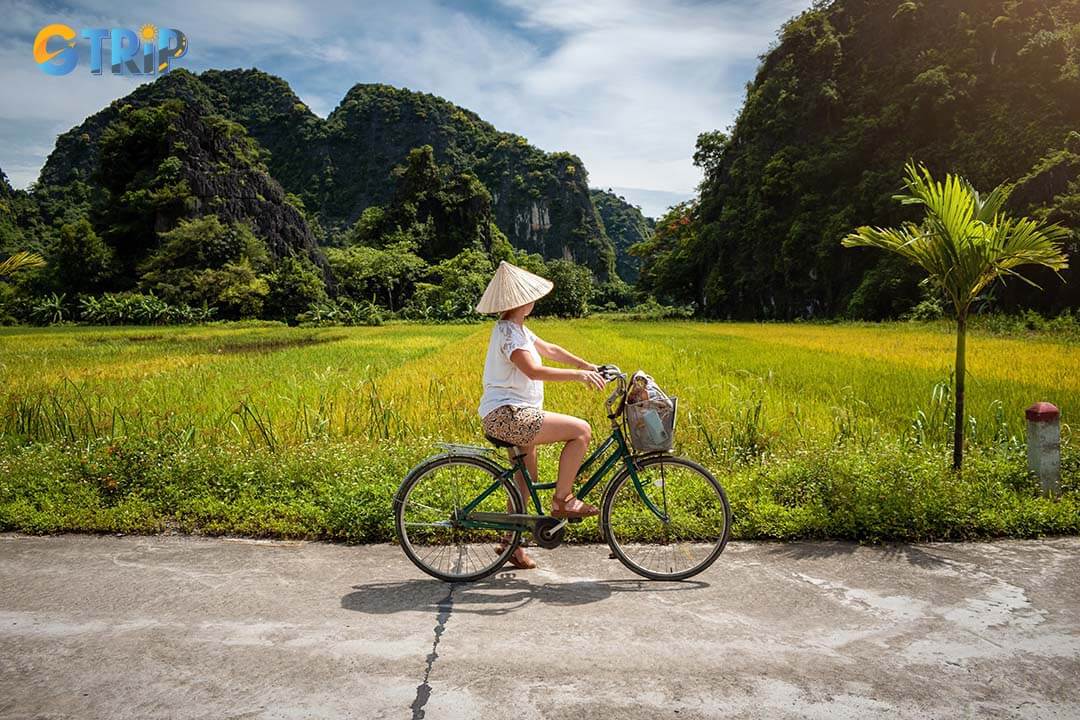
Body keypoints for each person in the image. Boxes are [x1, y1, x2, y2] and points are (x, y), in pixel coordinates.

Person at [475, 260, 605, 569]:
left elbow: (552, 350)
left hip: (513, 414)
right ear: (522, 301)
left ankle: (510, 546)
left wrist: (585, 365)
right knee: (581, 430)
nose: (534, 301)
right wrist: (578, 378)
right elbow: (532, 370)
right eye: (531, 296)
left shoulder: (518, 329)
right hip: (509, 416)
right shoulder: (509, 334)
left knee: (524, 481)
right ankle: (563, 500)